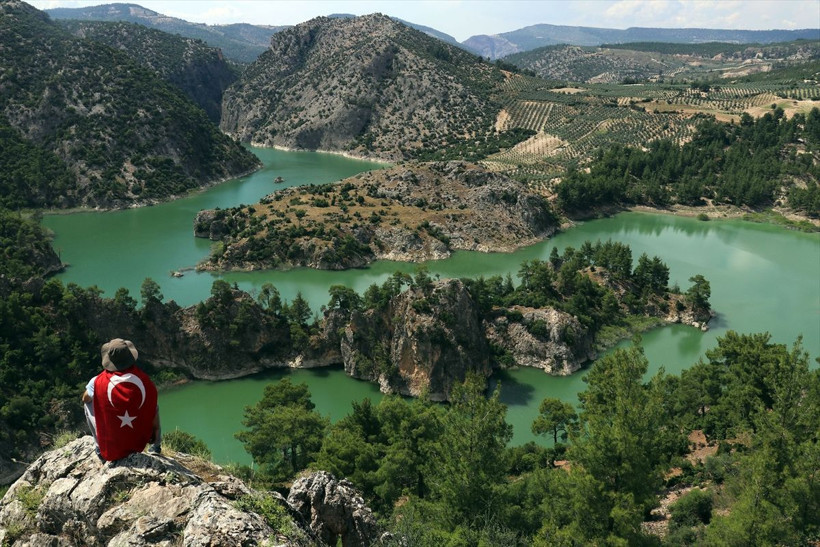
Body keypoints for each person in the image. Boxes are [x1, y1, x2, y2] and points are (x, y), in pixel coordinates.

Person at [82, 338, 161, 461]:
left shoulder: (98, 381)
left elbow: (85, 398)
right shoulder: (143, 380)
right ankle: (156, 445)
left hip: (114, 447)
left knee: (88, 403)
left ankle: (99, 447)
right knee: (153, 405)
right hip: (139, 442)